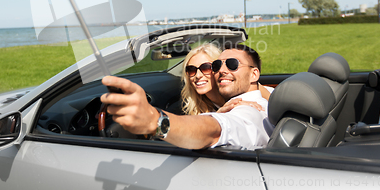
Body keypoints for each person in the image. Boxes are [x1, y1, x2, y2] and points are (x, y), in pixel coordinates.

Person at [100, 44, 273, 150]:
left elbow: (213, 129)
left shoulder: (248, 108)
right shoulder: (257, 98)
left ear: (254, 74)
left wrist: (156, 121)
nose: (222, 70)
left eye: (233, 64)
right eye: (218, 65)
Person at [181, 43, 264, 115]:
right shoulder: (198, 107)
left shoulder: (244, 88)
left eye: (206, 68)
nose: (198, 75)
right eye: (191, 70)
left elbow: (272, 104)